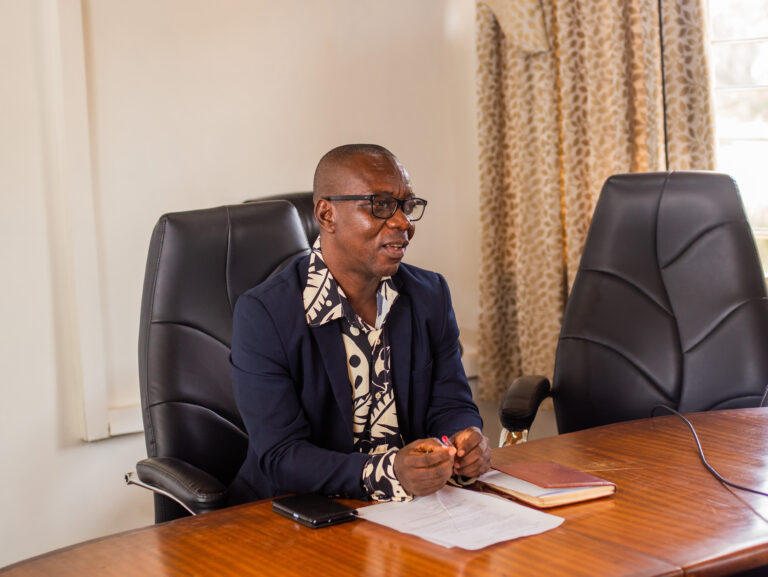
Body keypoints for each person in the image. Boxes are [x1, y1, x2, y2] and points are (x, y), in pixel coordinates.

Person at [228, 144, 490, 504]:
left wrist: (464, 440)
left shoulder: (429, 295)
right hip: (297, 513)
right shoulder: (264, 314)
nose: (403, 222)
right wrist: (388, 472)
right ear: (327, 215)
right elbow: (281, 455)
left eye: (406, 206)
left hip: (414, 511)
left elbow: (451, 404)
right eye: (380, 205)